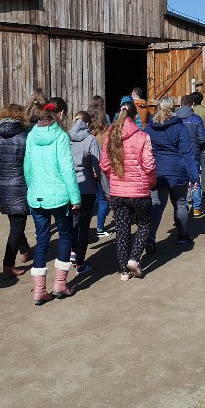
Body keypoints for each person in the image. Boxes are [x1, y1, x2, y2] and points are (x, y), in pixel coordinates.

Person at [23, 96, 81, 305]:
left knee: (42, 240)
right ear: (61, 114)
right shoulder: (61, 136)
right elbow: (67, 170)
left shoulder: (32, 135)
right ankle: (60, 284)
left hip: (36, 197)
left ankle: (39, 290)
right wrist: (76, 198)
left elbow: (27, 168)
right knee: (65, 237)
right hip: (59, 197)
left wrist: (33, 189)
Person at [100, 101, 156, 280]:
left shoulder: (111, 136)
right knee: (145, 223)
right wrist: (151, 182)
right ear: (135, 116)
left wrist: (114, 177)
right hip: (139, 191)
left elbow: (104, 164)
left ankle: (124, 271)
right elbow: (149, 165)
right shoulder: (143, 136)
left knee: (122, 230)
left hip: (118, 192)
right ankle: (134, 258)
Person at [0, 104, 34, 279]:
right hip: (20, 187)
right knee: (17, 226)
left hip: (3, 189)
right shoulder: (25, 137)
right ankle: (8, 265)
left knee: (16, 222)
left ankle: (25, 250)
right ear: (21, 117)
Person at [145, 96, 200, 251]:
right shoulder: (179, 126)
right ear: (173, 108)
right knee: (180, 203)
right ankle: (182, 236)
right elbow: (187, 153)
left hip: (157, 172)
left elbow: (144, 151)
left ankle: (150, 237)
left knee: (157, 205)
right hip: (177, 171)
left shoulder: (149, 128)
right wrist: (194, 176)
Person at [69, 111, 101, 274]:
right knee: (84, 226)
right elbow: (98, 166)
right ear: (87, 124)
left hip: (69, 187)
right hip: (87, 188)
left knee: (72, 223)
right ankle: (80, 263)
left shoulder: (65, 138)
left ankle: (72, 252)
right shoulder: (91, 139)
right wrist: (105, 187)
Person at [176, 94, 205, 217]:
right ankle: (196, 208)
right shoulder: (196, 119)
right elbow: (202, 138)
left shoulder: (174, 118)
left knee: (181, 181)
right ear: (192, 105)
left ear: (181, 104)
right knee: (195, 179)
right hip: (193, 153)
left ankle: (183, 206)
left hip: (178, 154)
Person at [88, 96, 112, 237]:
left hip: (89, 164)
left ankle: (86, 225)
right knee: (104, 198)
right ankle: (100, 228)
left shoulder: (87, 122)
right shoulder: (105, 121)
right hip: (102, 164)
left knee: (94, 197)